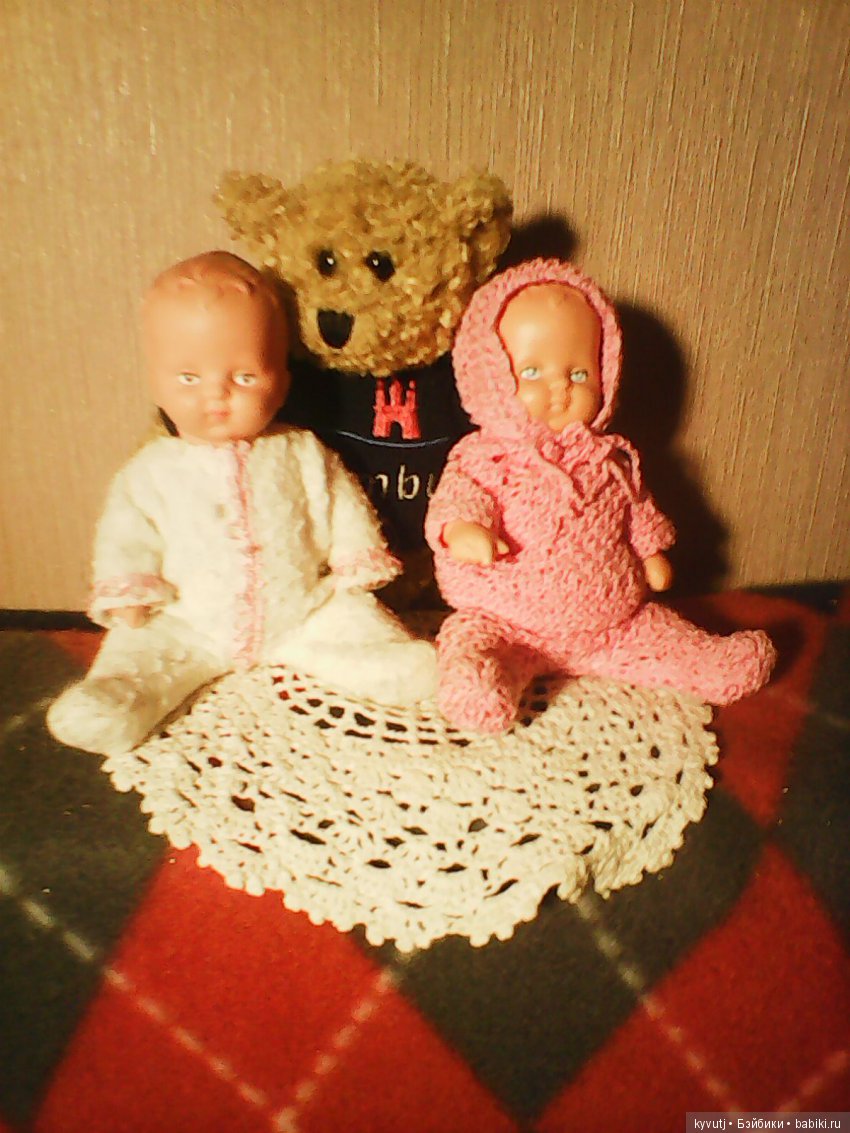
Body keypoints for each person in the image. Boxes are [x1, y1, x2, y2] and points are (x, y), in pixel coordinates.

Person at [47, 251, 436, 755]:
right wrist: (129, 587)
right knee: (141, 653)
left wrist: (354, 558)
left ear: (282, 381)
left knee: (356, 623)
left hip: (302, 611)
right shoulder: (152, 471)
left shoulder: (302, 451)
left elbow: (340, 503)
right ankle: (116, 701)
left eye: (245, 377)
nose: (216, 396)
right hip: (186, 621)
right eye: (189, 378)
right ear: (154, 381)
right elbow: (127, 531)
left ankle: (399, 667)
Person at [425, 259, 775, 733]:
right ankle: (478, 686)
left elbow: (636, 508)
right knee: (472, 644)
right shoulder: (484, 458)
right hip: (507, 625)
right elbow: (457, 500)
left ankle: (714, 665)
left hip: (613, 625)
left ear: (606, 372)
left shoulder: (609, 458)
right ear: (488, 378)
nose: (559, 389)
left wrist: (650, 553)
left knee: (662, 634)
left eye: (577, 374)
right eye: (532, 371)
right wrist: (464, 530)